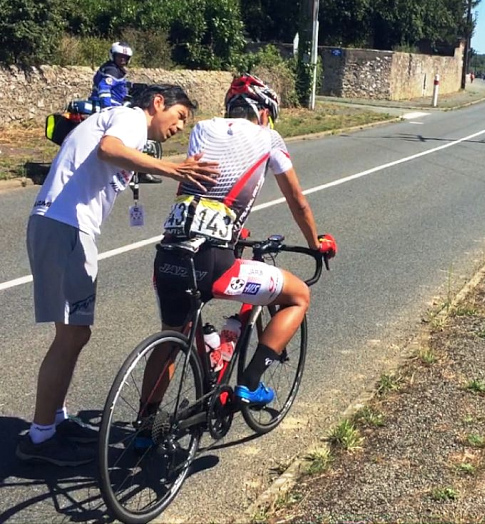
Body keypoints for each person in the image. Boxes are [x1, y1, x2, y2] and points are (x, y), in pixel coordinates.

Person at [17, 84, 220, 466]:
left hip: (64, 226)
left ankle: (54, 421)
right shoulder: (130, 119)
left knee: (72, 332)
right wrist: (171, 168)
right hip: (66, 227)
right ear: (158, 103)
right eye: (179, 117)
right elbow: (109, 150)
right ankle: (40, 437)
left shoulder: (122, 124)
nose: (178, 128)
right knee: (73, 333)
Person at [141, 74, 336, 440]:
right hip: (212, 260)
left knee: (172, 337)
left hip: (170, 252)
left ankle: (144, 423)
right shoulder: (268, 137)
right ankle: (249, 382)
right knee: (298, 295)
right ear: (264, 113)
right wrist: (316, 242)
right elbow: (297, 200)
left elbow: (205, 186)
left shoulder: (202, 129)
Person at [90, 41, 162, 183]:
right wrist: (108, 108)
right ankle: (142, 171)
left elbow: (117, 86)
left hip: (109, 106)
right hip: (113, 108)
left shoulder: (111, 68)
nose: (122, 59)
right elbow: (105, 88)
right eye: (119, 56)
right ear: (113, 55)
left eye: (125, 57)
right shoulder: (112, 71)